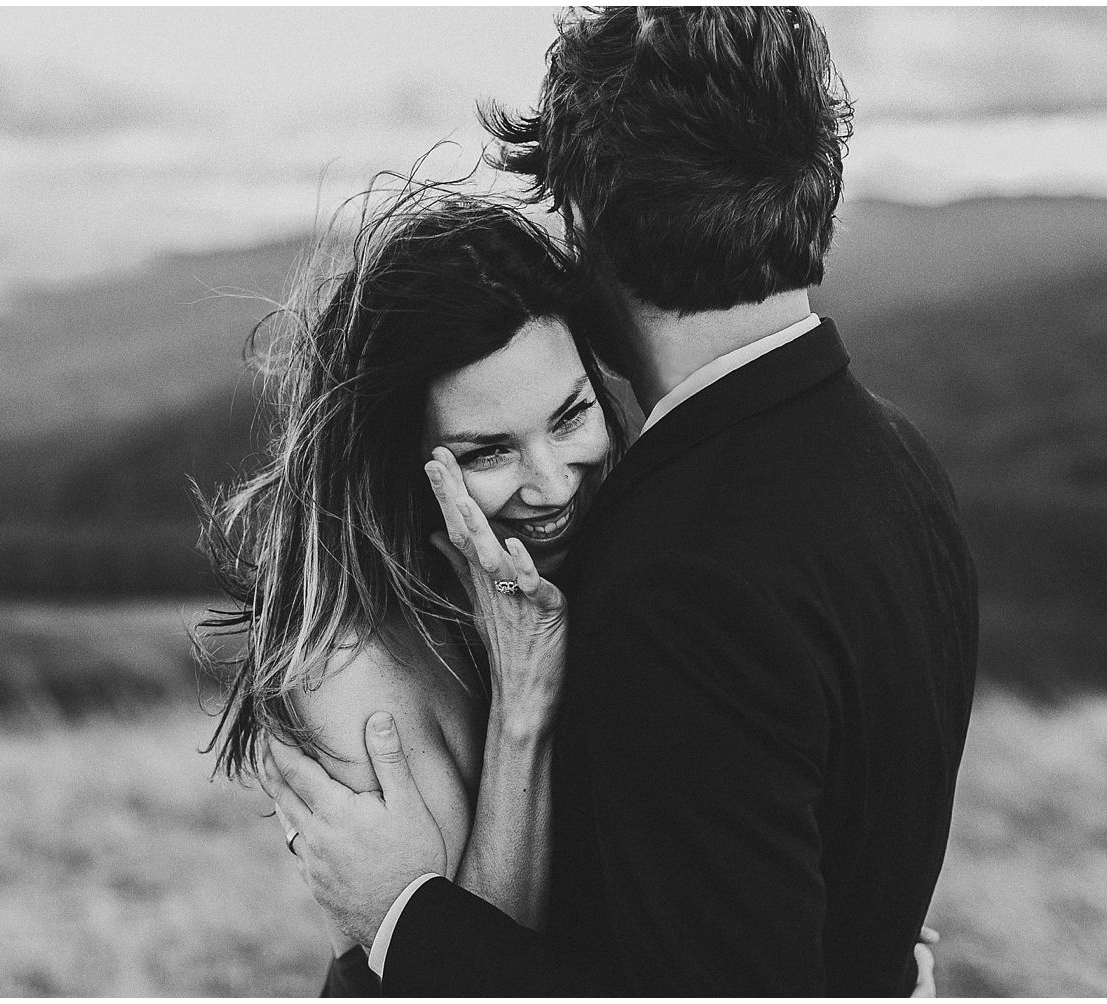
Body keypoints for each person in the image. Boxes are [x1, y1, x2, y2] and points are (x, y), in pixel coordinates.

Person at [268, 6, 977, 996]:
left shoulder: (679, 578)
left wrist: (403, 918)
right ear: (811, 185)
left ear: (592, 221)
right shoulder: (900, 464)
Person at [198, 185, 634, 993]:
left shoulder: (617, 550)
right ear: (404, 461)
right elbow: (457, 966)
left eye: (571, 416)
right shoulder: (356, 668)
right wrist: (522, 705)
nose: (550, 484)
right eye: (487, 452)